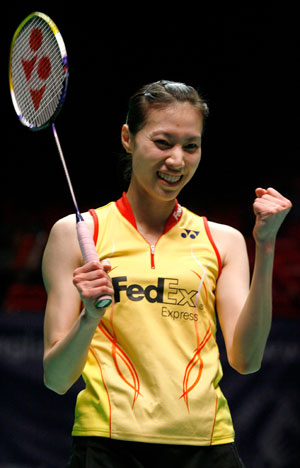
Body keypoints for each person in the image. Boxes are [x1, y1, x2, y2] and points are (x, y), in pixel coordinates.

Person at [42, 80, 292, 468]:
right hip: (108, 444)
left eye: (190, 146)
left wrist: (266, 245)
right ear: (128, 138)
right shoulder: (76, 234)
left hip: (206, 446)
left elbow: (247, 359)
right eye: (163, 142)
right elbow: (56, 378)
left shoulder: (222, 240)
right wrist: (90, 317)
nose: (177, 159)